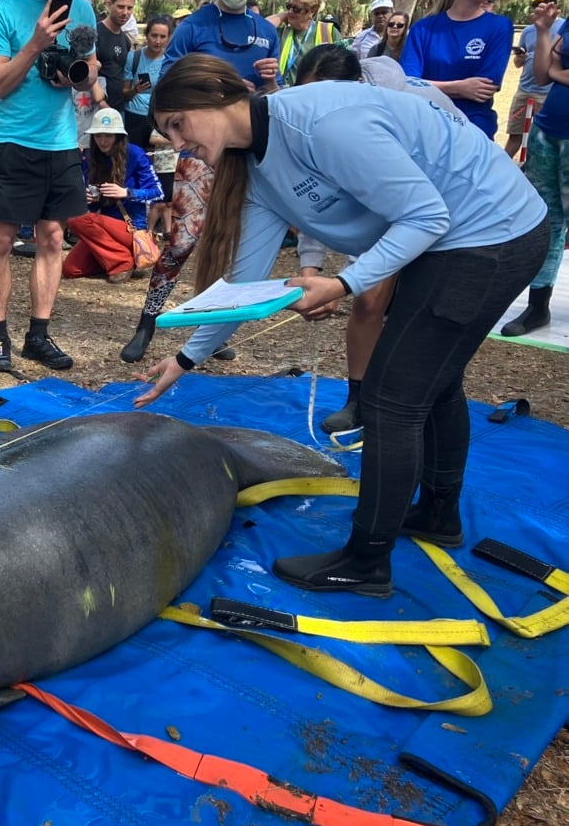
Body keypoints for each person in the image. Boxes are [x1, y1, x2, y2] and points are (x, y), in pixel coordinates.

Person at [134, 53, 549, 596]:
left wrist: (344, 284)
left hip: (490, 233)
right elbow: (249, 278)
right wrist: (186, 358)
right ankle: (438, 516)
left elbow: (427, 215)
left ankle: (366, 562)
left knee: (390, 397)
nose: (177, 142)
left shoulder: (319, 123)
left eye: (177, 125)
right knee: (432, 381)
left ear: (217, 97)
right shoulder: (255, 163)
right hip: (453, 241)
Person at [120, 0, 278, 364]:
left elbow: (273, 98)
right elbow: (168, 81)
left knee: (228, 240)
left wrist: (270, 81)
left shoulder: (267, 32)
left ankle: (215, 325)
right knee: (182, 239)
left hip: (245, 151)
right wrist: (220, 85)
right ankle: (148, 321)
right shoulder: (193, 27)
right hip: (199, 145)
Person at [292, 44, 463, 433]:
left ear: (354, 88)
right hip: (388, 202)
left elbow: (423, 201)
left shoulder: (408, 103)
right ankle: (360, 400)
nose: (313, 109)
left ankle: (417, 407)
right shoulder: (312, 118)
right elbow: (311, 193)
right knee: (369, 299)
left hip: (444, 207)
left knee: (424, 312)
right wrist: (310, 268)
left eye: (322, 99)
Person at [0, 0, 98, 372]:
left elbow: (91, 69)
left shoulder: (80, 7)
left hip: (62, 140)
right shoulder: (1, 10)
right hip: (13, 140)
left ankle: (38, 336)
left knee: (51, 238)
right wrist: (35, 45)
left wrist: (76, 72)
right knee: (3, 240)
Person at [503, 0, 569, 337]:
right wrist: (543, 31)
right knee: (549, 221)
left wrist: (560, 71)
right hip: (549, 131)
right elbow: (544, 74)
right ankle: (538, 305)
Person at [400, 0, 513, 139]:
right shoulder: (424, 28)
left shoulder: (499, 26)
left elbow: (484, 88)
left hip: (473, 128)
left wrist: (428, 86)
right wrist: (458, 87)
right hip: (426, 126)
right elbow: (407, 84)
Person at [163, 0, 280, 92]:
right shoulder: (191, 27)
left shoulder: (267, 31)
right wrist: (211, 87)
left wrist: (271, 84)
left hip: (253, 114)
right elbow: (166, 85)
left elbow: (276, 92)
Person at [63, 107, 162, 282]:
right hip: (102, 228)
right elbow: (93, 206)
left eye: (108, 135)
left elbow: (158, 193)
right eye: (98, 135)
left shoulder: (136, 154)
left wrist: (127, 193)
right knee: (71, 269)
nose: (103, 141)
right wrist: (91, 199)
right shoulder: (90, 156)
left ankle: (120, 261)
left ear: (118, 136)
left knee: (75, 218)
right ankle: (119, 257)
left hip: (130, 226)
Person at [503, 0, 562, 159]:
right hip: (525, 90)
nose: (540, 8)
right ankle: (500, 169)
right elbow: (518, 63)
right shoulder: (528, 31)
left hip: (549, 93)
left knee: (543, 140)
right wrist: (520, 57)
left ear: (554, 7)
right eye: (536, 6)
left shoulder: (564, 28)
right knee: (515, 136)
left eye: (546, 4)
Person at [264, 0, 345, 86]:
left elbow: (343, 66)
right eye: (288, 6)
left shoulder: (329, 32)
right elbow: (260, 29)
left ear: (312, 11)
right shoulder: (282, 31)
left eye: (296, 9)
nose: (290, 11)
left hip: (316, 94)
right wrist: (283, 16)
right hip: (284, 92)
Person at [122, 14, 171, 150]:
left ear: (168, 38)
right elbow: (124, 93)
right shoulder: (134, 57)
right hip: (134, 116)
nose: (157, 41)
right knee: (134, 157)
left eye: (162, 37)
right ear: (146, 35)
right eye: (154, 35)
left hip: (158, 118)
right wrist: (135, 90)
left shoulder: (170, 62)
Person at [95, 0, 135, 114]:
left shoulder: (125, 41)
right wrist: (101, 102)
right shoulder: (95, 33)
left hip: (118, 109)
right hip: (95, 107)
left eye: (129, 8)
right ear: (110, 4)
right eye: (120, 7)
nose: (125, 13)